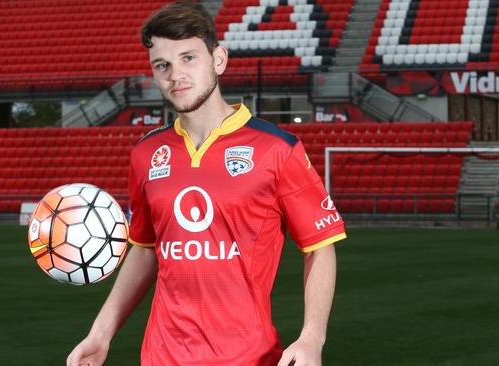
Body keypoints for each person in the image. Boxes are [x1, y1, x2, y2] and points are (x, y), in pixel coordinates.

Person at [66, 2, 346, 365]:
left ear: (218, 60)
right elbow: (145, 249)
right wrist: (100, 333)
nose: (175, 75)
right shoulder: (146, 154)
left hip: (248, 356)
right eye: (162, 65)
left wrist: (312, 338)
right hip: (159, 356)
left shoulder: (278, 148)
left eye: (188, 58)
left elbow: (320, 247)